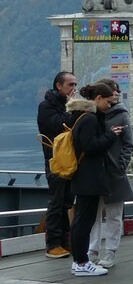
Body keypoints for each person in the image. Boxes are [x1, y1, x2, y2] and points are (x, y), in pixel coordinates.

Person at [67, 83, 123, 278]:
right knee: (85, 220)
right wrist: (110, 135)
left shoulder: (80, 116)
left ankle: (79, 261)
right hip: (88, 176)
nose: (109, 106)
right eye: (108, 102)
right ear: (98, 98)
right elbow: (91, 147)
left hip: (81, 175)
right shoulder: (89, 119)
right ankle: (81, 262)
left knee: (81, 219)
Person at [88, 78, 133, 270]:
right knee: (94, 214)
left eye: (116, 91)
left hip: (114, 172)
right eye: (112, 92)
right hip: (95, 172)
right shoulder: (91, 115)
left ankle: (111, 250)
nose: (115, 95)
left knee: (114, 214)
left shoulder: (122, 115)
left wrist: (121, 165)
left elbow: (128, 143)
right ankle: (92, 250)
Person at [37, 70, 77, 258]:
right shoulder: (46, 106)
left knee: (66, 202)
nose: (73, 89)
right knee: (56, 202)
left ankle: (63, 241)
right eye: (70, 85)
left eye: (75, 85)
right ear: (59, 86)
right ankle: (53, 244)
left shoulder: (64, 104)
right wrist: (71, 107)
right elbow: (60, 125)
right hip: (55, 161)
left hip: (69, 160)